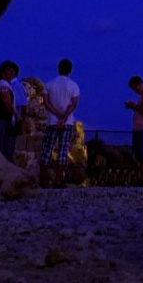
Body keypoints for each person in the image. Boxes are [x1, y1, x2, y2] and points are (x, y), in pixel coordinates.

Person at [39, 58, 80, 188]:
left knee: (47, 149)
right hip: (67, 122)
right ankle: (58, 180)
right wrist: (64, 116)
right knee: (63, 150)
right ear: (70, 70)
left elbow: (45, 102)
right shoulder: (73, 85)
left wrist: (56, 114)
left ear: (58, 68)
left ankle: (43, 180)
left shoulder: (49, 84)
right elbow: (74, 104)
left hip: (52, 121)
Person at [0, 61, 20, 163]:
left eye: (13, 71)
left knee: (4, 151)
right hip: (0, 122)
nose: (12, 73)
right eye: (9, 70)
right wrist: (17, 116)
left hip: (2, 122)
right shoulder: (3, 85)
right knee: (1, 151)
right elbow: (7, 102)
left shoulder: (4, 84)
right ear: (3, 72)